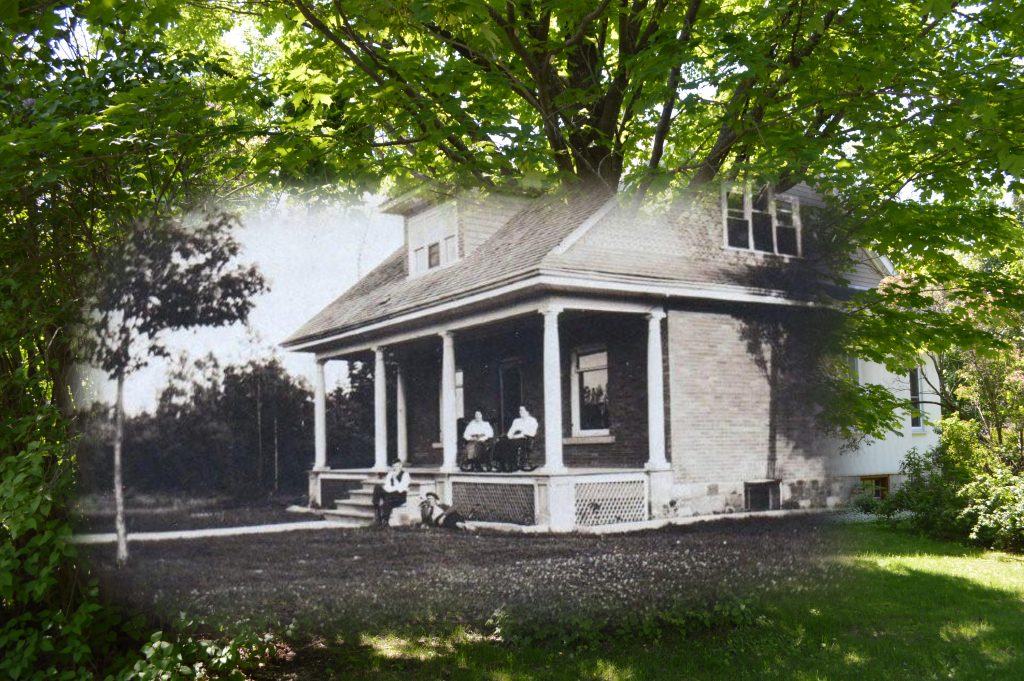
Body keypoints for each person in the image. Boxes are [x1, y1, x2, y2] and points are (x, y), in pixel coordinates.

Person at [496, 405, 538, 471]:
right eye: (519, 410)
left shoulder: (532, 420)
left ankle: (513, 465)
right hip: (514, 438)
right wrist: (511, 436)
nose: (520, 412)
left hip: (526, 439)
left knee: (512, 443)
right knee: (501, 443)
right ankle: (502, 465)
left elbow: (530, 433)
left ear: (527, 412)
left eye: (522, 410)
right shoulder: (516, 421)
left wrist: (516, 436)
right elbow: (510, 432)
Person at [372, 460, 409, 527]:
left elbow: (401, 488)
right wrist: (388, 490)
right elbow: (387, 486)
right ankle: (377, 510)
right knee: (377, 487)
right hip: (390, 494)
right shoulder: (390, 474)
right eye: (394, 466)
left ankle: (385, 520)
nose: (396, 468)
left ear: (401, 466)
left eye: (397, 466)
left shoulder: (405, 475)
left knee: (388, 498)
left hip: (400, 497)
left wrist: (395, 479)